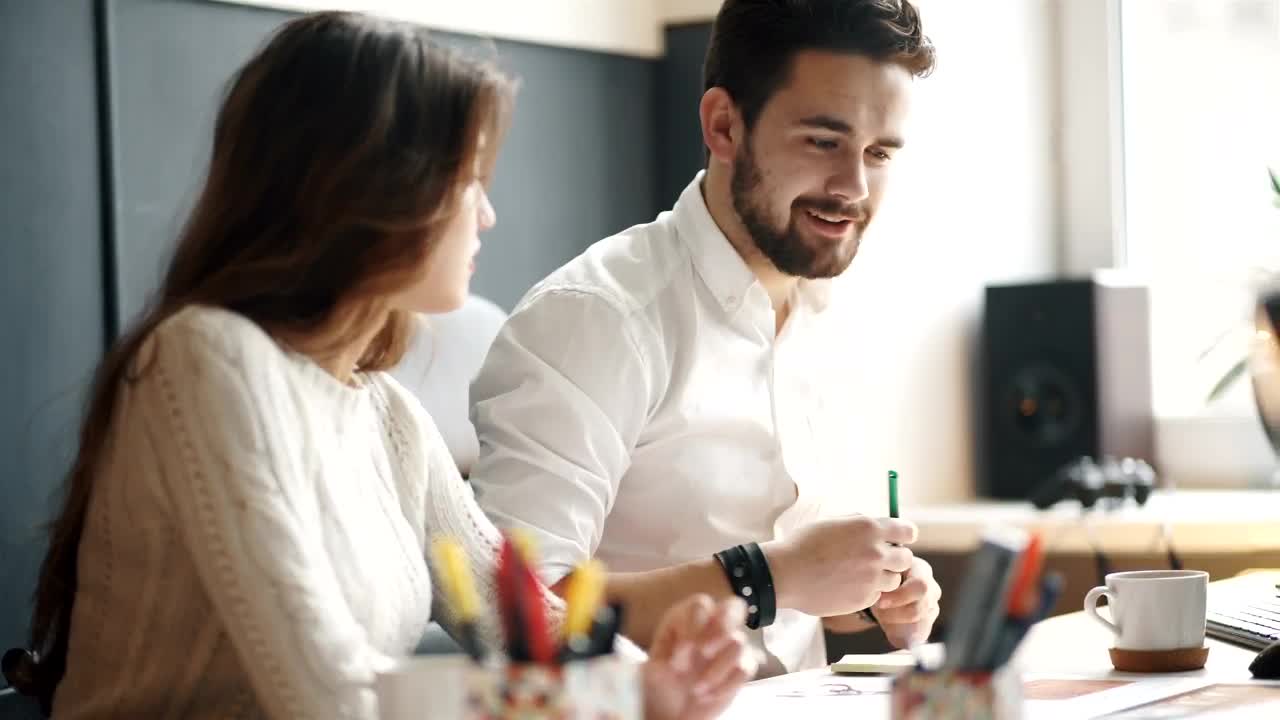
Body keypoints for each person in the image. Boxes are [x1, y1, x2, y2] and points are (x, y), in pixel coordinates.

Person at [6, 12, 754, 719]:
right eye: (469, 182)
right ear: (377, 187)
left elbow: (529, 623)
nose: (486, 215)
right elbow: (328, 697)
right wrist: (617, 702)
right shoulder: (206, 360)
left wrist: (647, 680)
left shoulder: (384, 412)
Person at [469, 0, 941, 676]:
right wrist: (767, 578)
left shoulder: (835, 319)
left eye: (879, 152)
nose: (853, 187)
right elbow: (514, 614)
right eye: (823, 141)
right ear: (724, 126)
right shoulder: (595, 320)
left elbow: (798, 587)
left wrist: (864, 593)